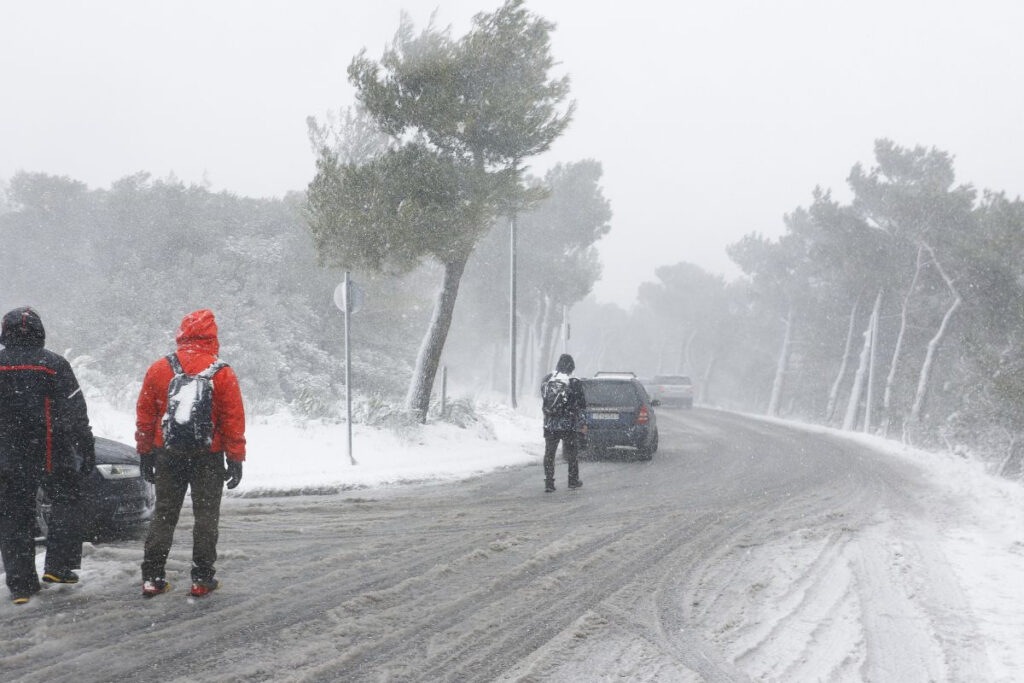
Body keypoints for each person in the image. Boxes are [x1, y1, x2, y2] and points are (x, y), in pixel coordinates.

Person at [135, 309, 246, 598]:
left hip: (167, 452)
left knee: (164, 514)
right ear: (212, 336)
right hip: (208, 455)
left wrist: (145, 452)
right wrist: (236, 458)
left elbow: (146, 416)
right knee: (206, 516)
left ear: (182, 334)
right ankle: (202, 578)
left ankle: (153, 577)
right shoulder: (222, 372)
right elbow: (233, 420)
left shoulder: (159, 369)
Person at [0, 307, 95, 605]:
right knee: (67, 500)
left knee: (15, 513)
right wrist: (86, 446)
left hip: (8, 453)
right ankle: (59, 567)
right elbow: (76, 411)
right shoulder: (54, 364)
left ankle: (21, 585)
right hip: (53, 450)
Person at [540, 353, 586, 493]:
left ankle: (549, 482)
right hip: (568, 424)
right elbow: (581, 405)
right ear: (571, 367)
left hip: (550, 423)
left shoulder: (548, 379)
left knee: (549, 453)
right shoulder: (574, 382)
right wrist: (582, 423)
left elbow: (544, 399)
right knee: (572, 453)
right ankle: (572, 480)